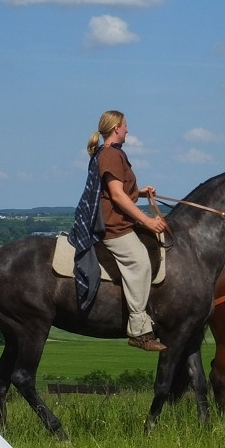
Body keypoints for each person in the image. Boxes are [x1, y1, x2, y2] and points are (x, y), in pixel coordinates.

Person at [71, 110, 169, 352]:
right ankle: (138, 330)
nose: (128, 130)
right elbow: (115, 195)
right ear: (116, 128)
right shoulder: (111, 155)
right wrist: (147, 222)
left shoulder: (107, 153)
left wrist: (141, 192)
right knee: (140, 263)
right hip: (114, 225)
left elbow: (118, 191)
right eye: (125, 126)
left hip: (116, 219)